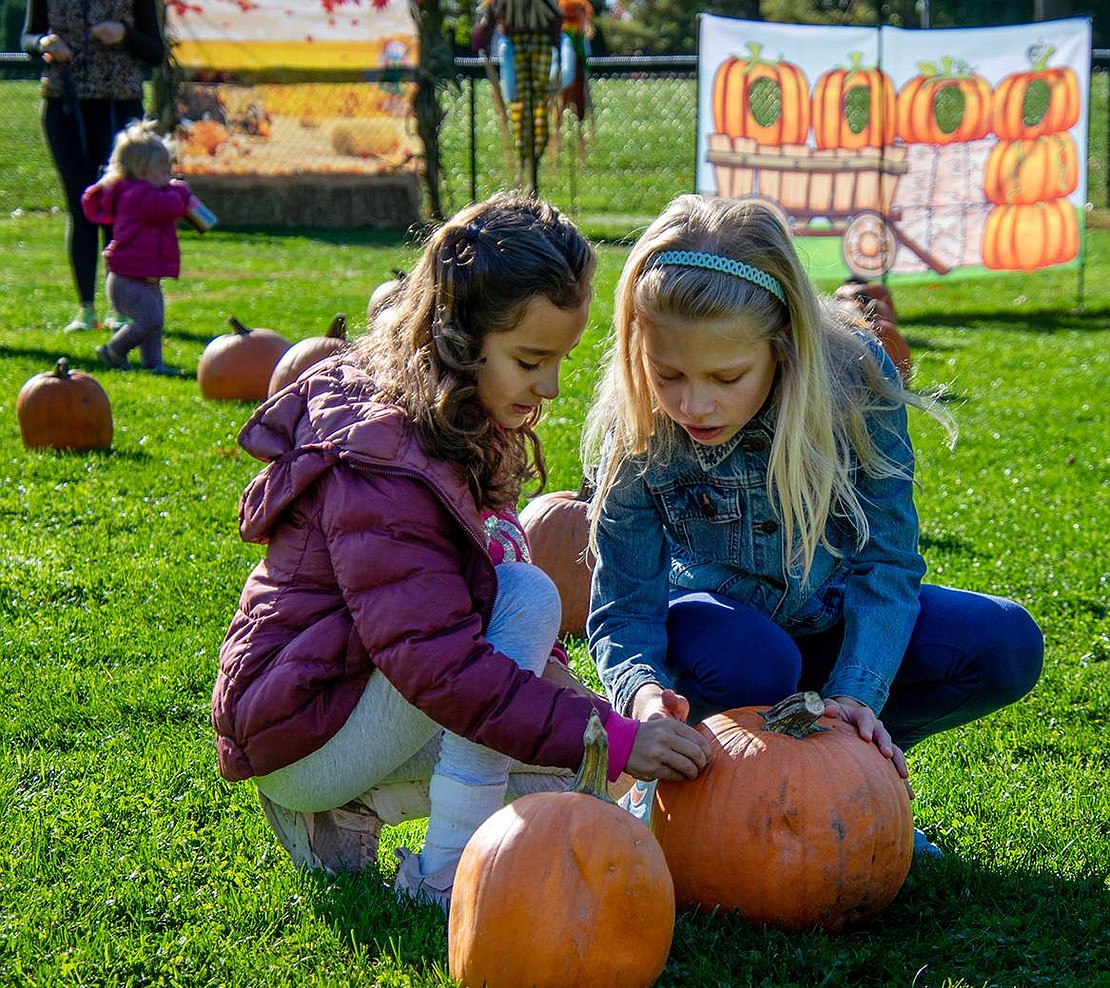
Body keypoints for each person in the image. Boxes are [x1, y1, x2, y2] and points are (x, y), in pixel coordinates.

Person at [211, 192, 711, 909]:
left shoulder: (460, 419)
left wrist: (587, 718)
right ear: (457, 336)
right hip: (302, 730)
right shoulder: (383, 469)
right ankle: (444, 874)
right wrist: (612, 732)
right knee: (536, 606)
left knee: (584, 778)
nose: (551, 387)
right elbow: (445, 667)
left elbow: (486, 586)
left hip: (376, 696)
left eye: (560, 359)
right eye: (531, 360)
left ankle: (354, 810)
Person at [584, 194, 1043, 855]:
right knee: (757, 657)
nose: (693, 401)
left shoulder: (854, 380)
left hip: (830, 629)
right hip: (721, 636)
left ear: (783, 347)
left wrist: (857, 692)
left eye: (726, 375)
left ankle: (844, 778)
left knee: (1005, 643)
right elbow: (624, 605)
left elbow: (888, 564)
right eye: (668, 373)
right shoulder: (641, 429)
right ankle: (686, 790)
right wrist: (643, 696)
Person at [22, 0, 166, 333]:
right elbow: (28, 37)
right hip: (64, 105)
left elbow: (155, 51)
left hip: (119, 104)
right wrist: (44, 43)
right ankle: (85, 307)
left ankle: (123, 306)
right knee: (82, 203)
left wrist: (124, 34)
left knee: (122, 205)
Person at [80, 120, 193, 374]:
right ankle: (114, 350)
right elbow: (167, 207)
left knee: (155, 322)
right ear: (142, 172)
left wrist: (175, 191)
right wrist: (182, 193)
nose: (169, 176)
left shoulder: (147, 191)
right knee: (148, 320)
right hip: (128, 279)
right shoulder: (137, 195)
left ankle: (153, 363)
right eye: (163, 171)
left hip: (143, 276)